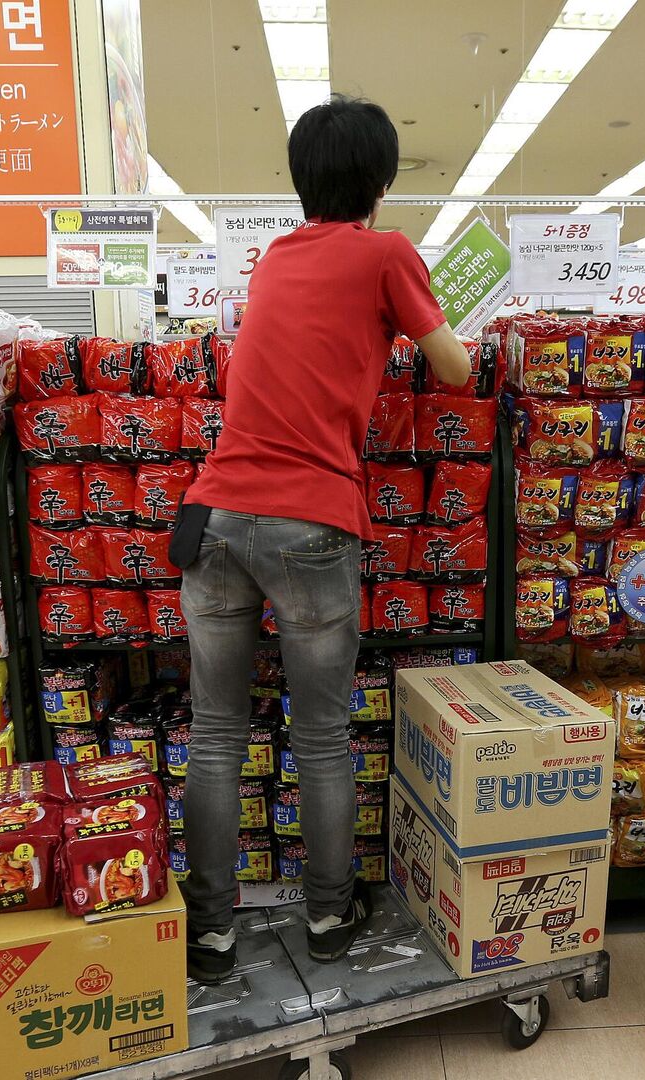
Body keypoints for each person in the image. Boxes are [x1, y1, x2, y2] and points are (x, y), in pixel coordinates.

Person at [174, 94, 471, 984]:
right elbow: (455, 369)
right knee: (321, 737)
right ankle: (331, 916)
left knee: (215, 734)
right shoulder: (387, 253)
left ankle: (211, 934)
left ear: (300, 180)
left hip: (214, 515)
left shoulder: (275, 257)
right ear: (381, 182)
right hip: (310, 520)